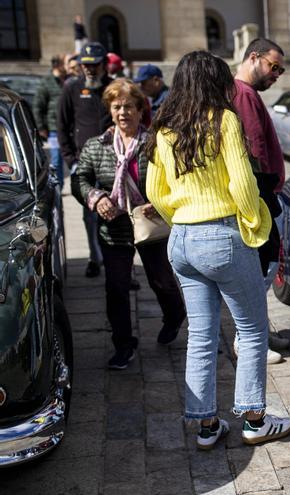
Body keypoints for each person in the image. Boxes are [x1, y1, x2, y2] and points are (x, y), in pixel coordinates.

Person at [146, 50, 290, 450]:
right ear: (214, 82)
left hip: (181, 239)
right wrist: (254, 221)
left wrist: (179, 215)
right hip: (222, 234)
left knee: (201, 334)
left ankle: (207, 426)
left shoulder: (164, 128)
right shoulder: (225, 120)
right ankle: (254, 419)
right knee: (250, 329)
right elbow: (244, 187)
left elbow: (154, 191)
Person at [70, 78, 186, 368]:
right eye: (117, 107)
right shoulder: (96, 146)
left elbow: (177, 179)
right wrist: (96, 198)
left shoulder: (154, 144)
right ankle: (123, 345)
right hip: (114, 228)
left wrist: (158, 202)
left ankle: (174, 316)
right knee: (117, 287)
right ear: (110, 111)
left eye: (129, 107)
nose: (123, 112)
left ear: (140, 110)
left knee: (162, 282)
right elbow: (79, 179)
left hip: (151, 224)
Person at [233, 38, 289, 362]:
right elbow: (254, 150)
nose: (276, 74)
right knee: (262, 271)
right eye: (273, 66)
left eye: (280, 69)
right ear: (254, 58)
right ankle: (247, 338)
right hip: (261, 195)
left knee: (263, 269)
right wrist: (264, 195)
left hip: (264, 192)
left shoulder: (248, 94)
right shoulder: (243, 94)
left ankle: (259, 330)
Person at [57, 42, 113, 278]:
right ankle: (94, 257)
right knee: (89, 214)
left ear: (104, 65)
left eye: (94, 65)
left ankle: (123, 267)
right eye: (85, 65)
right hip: (84, 163)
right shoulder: (72, 88)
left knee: (117, 214)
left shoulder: (114, 87)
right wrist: (70, 159)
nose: (90, 69)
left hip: (113, 162)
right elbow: (62, 124)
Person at [34, 55, 67, 187]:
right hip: (54, 129)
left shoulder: (68, 80)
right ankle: (57, 187)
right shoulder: (46, 82)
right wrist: (41, 127)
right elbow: (38, 106)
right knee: (56, 160)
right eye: (65, 64)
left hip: (69, 128)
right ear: (59, 65)